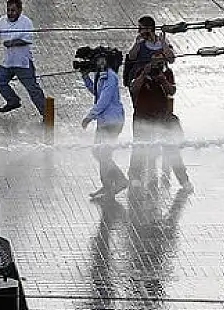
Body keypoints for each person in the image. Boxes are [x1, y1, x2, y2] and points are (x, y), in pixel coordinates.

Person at [129, 51, 192, 192]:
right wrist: (144, 75)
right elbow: (134, 88)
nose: (157, 65)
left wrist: (162, 79)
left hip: (162, 117)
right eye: (154, 62)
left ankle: (184, 180)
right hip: (142, 116)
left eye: (160, 62)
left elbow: (171, 91)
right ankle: (135, 177)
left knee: (171, 148)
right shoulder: (141, 71)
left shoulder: (167, 73)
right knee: (139, 147)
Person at [0, 0, 46, 118]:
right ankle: (13, 101)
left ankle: (46, 113)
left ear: (19, 10)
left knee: (32, 88)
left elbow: (27, 39)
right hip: (8, 62)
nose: (10, 13)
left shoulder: (26, 22)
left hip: (22, 63)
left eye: (13, 10)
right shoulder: (2, 20)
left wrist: (12, 43)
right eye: (8, 10)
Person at [80, 52, 128, 200]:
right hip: (104, 121)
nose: (100, 63)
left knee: (103, 154)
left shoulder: (110, 76)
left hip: (112, 122)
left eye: (103, 60)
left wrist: (89, 116)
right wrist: (85, 77)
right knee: (99, 152)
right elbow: (97, 93)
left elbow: (104, 100)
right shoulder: (101, 76)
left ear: (108, 61)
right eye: (97, 60)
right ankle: (110, 184)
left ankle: (117, 182)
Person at [125, 16, 175, 99]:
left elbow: (171, 59)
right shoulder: (140, 42)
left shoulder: (162, 42)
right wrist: (137, 44)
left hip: (159, 77)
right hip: (141, 77)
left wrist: (163, 44)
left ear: (149, 29)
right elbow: (131, 57)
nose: (139, 31)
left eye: (141, 28)